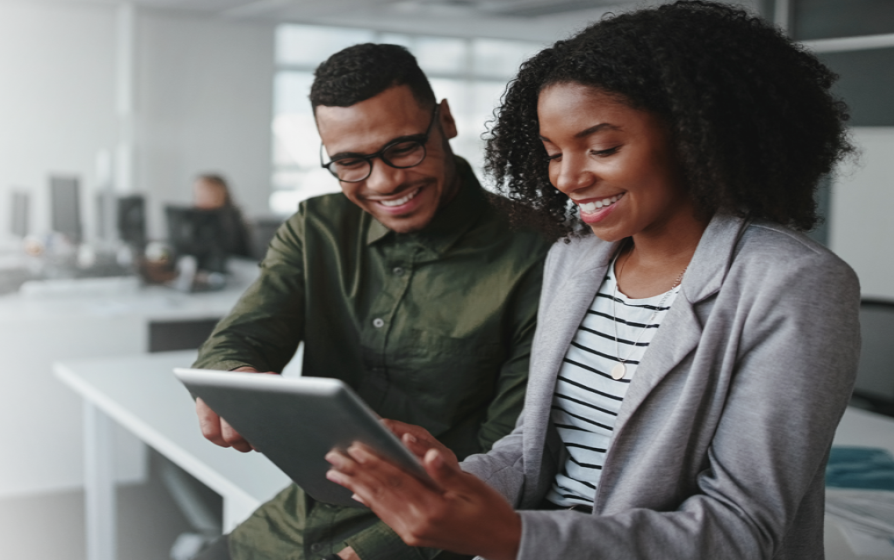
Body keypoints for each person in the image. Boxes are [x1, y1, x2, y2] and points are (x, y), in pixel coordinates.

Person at [321, 3, 860, 559]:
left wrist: (513, 537)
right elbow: (533, 452)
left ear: (695, 133)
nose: (568, 178)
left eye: (602, 148)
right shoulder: (573, 260)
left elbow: (740, 528)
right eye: (553, 153)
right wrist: (447, 481)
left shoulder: (794, 284)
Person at [191, 44, 551, 560]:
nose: (385, 182)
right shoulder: (316, 227)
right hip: (292, 523)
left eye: (404, 148)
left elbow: (512, 453)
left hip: (422, 540)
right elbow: (240, 337)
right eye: (350, 162)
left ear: (444, 120)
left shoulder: (541, 254)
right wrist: (231, 378)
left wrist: (376, 550)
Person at [190, 173, 253, 260]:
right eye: (197, 194)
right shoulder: (195, 218)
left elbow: (223, 251)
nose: (199, 198)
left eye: (204, 192)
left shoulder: (230, 218)